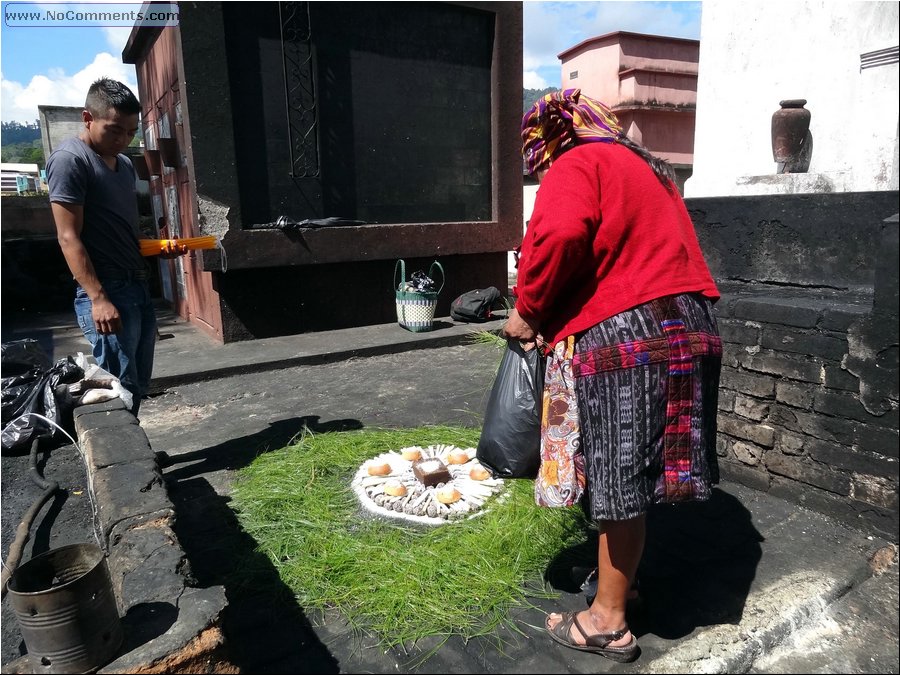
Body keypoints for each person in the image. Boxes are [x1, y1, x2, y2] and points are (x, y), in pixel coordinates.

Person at [504, 89, 722, 662]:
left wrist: (528, 308)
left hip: (628, 336)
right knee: (639, 469)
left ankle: (606, 620)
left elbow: (560, 236)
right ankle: (622, 585)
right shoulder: (646, 167)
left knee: (617, 475)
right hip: (687, 325)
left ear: (549, 140)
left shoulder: (576, 161)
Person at [46, 77, 186, 417]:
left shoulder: (124, 165)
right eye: (114, 130)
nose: (123, 140)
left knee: (137, 381)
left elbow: (122, 236)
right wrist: (98, 298)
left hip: (136, 285)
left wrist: (156, 248)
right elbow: (69, 237)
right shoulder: (70, 160)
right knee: (115, 385)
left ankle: (137, 457)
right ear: (87, 118)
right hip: (106, 288)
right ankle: (122, 466)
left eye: (131, 132)